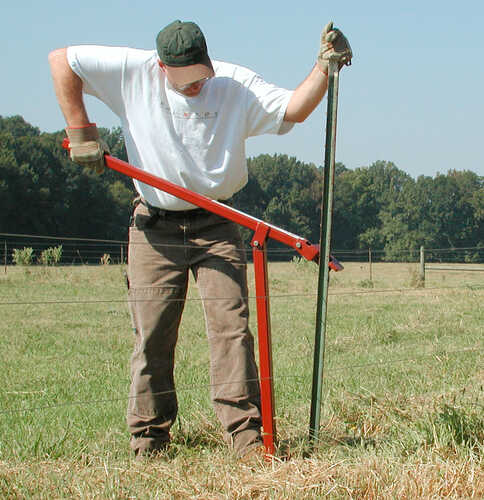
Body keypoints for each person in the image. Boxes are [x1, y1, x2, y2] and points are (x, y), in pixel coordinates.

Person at [48, 19, 352, 459]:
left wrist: (324, 67)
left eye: (200, 78)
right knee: (152, 335)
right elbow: (62, 61)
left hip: (217, 224)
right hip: (154, 227)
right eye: (184, 82)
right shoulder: (132, 72)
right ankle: (148, 441)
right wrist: (81, 131)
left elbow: (294, 108)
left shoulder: (233, 85)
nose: (195, 88)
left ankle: (246, 438)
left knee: (232, 332)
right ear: (161, 68)